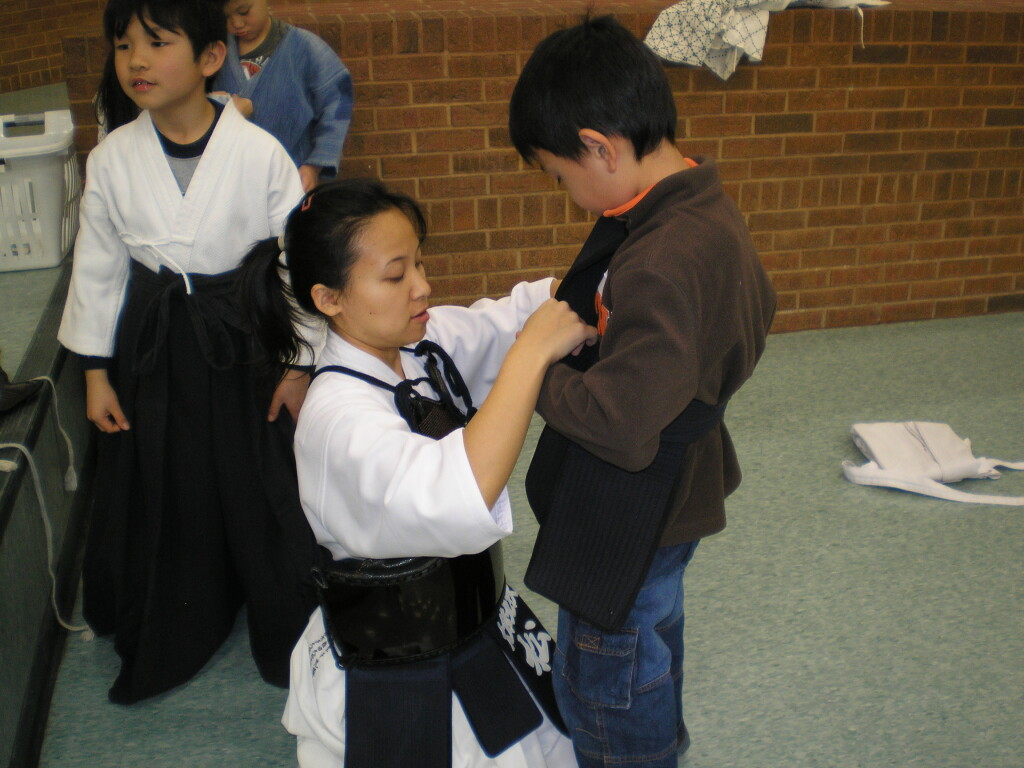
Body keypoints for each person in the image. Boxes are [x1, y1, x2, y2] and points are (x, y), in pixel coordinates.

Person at [238, 178, 594, 767]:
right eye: (395, 274)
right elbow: (462, 492)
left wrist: (588, 283)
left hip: (482, 627)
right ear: (329, 300)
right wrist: (531, 355)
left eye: (420, 264)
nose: (422, 287)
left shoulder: (420, 344)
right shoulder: (337, 423)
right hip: (401, 663)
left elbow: (507, 320)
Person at [507, 15, 777, 768]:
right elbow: (758, 307)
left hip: (636, 509)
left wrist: (535, 369)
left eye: (563, 177)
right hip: (680, 491)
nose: (568, 198)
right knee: (653, 634)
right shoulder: (702, 203)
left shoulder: (659, 258)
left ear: (600, 146)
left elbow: (622, 427)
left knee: (607, 670)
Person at [58, 0, 323, 704]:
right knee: (168, 476)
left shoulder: (260, 152)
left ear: (210, 57)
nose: (135, 60)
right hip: (153, 343)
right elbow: (99, 265)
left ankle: (272, 611)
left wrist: (300, 363)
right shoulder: (112, 158)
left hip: (241, 338)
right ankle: (185, 610)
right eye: (122, 45)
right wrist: (93, 371)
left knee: (249, 476)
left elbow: (292, 263)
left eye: (155, 42)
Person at [211, 0, 353, 192]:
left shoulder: (304, 47)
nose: (236, 23)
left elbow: (337, 102)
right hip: (228, 182)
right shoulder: (214, 54)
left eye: (244, 12)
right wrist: (219, 105)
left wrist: (314, 165)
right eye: (226, 17)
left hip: (291, 177)